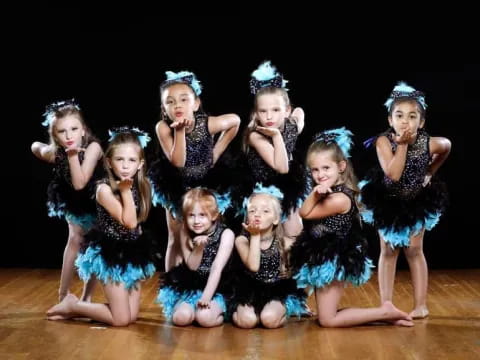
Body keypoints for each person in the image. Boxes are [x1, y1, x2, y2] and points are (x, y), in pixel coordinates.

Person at [290, 128, 414, 327]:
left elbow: (304, 213)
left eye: (326, 168)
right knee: (326, 315)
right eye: (315, 170)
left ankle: (384, 311)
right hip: (320, 253)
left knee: (328, 321)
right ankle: (382, 314)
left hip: (333, 257)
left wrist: (314, 194)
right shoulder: (331, 191)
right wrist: (316, 193)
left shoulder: (339, 198)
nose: (320, 175)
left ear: (340, 166)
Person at [46, 128, 156, 326]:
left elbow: (138, 224)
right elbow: (129, 221)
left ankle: (83, 309)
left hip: (132, 252)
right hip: (110, 254)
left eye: (131, 160)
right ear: (108, 162)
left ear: (140, 164)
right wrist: (124, 191)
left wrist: (141, 255)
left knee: (131, 317)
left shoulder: (142, 186)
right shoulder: (103, 189)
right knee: (121, 320)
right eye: (119, 159)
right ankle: (73, 305)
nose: (124, 166)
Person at [360, 82, 451, 319]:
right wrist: (401, 145)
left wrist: (430, 171)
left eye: (412, 117)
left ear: (421, 123)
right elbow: (393, 174)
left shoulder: (428, 142)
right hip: (387, 200)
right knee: (388, 251)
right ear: (390, 120)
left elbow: (446, 145)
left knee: (414, 250)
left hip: (415, 201)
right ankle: (386, 304)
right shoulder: (382, 141)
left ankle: (421, 305)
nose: (405, 121)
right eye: (399, 115)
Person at [149, 70, 240, 271]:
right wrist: (179, 131)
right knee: (175, 236)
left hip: (206, 183)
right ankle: (173, 285)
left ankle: (209, 278)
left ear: (196, 104)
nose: (177, 105)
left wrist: (216, 152)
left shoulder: (207, 123)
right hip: (177, 184)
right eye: (170, 102)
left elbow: (235, 121)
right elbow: (178, 162)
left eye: (183, 99)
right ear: (164, 109)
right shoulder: (162, 127)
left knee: (209, 234)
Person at [31, 99, 103, 302]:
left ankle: (86, 297)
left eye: (74, 129)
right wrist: (44, 149)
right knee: (74, 240)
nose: (69, 136)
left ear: (83, 130)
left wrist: (72, 157)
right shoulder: (56, 152)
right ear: (55, 135)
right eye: (62, 132)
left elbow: (81, 182)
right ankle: (63, 294)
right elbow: (36, 147)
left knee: (96, 244)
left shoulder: (93, 147)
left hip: (97, 196)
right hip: (74, 199)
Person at [242, 61, 307, 250]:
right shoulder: (255, 135)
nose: (269, 117)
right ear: (256, 113)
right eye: (263, 111)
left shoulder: (292, 124)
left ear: (287, 111)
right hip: (262, 190)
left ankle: (288, 274)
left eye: (276, 110)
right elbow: (282, 166)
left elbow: (300, 113)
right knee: (262, 238)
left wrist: (295, 118)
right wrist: (277, 136)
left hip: (286, 186)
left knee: (294, 234)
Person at [230, 184, 309, 329]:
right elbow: (254, 267)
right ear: (247, 218)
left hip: (276, 291)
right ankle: (233, 314)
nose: (257, 214)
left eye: (265, 211)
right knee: (248, 321)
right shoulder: (241, 240)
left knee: (268, 320)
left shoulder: (286, 242)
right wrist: (254, 236)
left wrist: (289, 274)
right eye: (252, 210)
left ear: (276, 220)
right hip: (249, 290)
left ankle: (284, 311)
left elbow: (305, 271)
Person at [156, 187, 235, 327]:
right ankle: (189, 310)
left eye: (202, 215)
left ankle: (222, 315)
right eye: (191, 215)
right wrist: (199, 248)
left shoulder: (226, 234)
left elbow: (216, 268)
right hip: (193, 285)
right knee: (180, 318)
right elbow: (192, 266)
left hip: (216, 288)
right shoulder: (185, 231)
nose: (196, 221)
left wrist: (206, 297)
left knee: (204, 318)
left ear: (214, 215)